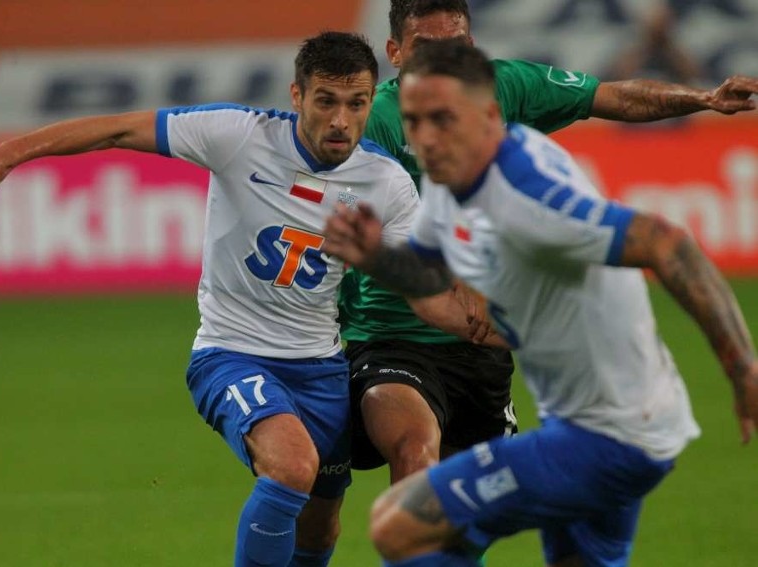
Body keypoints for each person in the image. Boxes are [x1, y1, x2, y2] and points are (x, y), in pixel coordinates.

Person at [0, 31, 422, 567]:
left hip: (320, 367)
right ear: (296, 96)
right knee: (291, 466)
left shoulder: (387, 182)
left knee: (319, 527)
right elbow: (118, 129)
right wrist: (9, 153)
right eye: (326, 101)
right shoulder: (239, 135)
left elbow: (418, 283)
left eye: (357, 103)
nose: (341, 120)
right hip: (230, 353)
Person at [323, 39, 758, 567]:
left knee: (403, 525)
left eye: (442, 118)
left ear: (487, 114)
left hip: (612, 437)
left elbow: (668, 244)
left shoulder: (524, 193)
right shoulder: (446, 178)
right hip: (592, 421)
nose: (426, 138)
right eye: (414, 121)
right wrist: (374, 257)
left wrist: (743, 370)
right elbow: (426, 270)